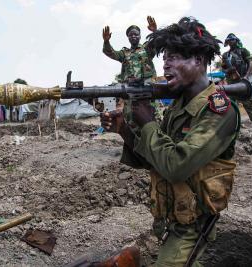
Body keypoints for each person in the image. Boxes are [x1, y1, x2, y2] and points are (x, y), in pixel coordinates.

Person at [101, 17, 240, 266]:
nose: (165, 65)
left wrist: (148, 123)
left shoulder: (218, 110)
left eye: (174, 58)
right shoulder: (178, 107)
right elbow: (155, 160)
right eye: (164, 59)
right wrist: (124, 131)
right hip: (170, 216)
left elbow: (176, 166)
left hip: (193, 226)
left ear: (198, 60)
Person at [102, 16, 158, 84]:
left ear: (140, 36)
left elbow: (157, 43)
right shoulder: (124, 53)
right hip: (129, 88)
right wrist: (106, 41)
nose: (133, 36)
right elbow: (110, 53)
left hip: (147, 86)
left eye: (136, 34)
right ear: (128, 37)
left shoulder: (147, 49)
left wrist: (155, 31)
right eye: (130, 35)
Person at [222, 33, 252, 127]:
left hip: (242, 79)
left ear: (236, 41)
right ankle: (235, 124)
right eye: (229, 40)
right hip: (230, 82)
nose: (231, 42)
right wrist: (228, 70)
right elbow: (223, 69)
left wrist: (246, 76)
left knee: (248, 102)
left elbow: (249, 64)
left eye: (232, 40)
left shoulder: (243, 51)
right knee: (232, 104)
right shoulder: (226, 55)